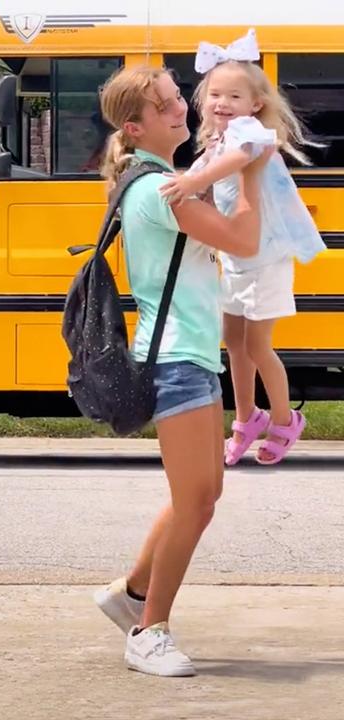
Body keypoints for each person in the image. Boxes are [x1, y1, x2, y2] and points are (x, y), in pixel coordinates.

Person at [91, 65, 268, 676]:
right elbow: (244, 240)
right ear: (136, 127)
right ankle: (149, 631)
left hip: (187, 352)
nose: (182, 111)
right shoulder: (159, 191)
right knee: (195, 501)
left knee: (202, 494)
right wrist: (252, 167)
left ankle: (132, 593)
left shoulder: (169, 180)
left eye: (176, 100)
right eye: (167, 106)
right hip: (176, 357)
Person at [158, 28, 326, 465]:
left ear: (255, 105)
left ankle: (285, 420)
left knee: (257, 345)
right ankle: (247, 416)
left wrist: (193, 181)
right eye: (215, 95)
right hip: (236, 257)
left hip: (266, 257)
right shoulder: (216, 141)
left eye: (234, 97)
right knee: (232, 340)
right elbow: (210, 175)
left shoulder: (250, 134)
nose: (222, 104)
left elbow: (237, 162)